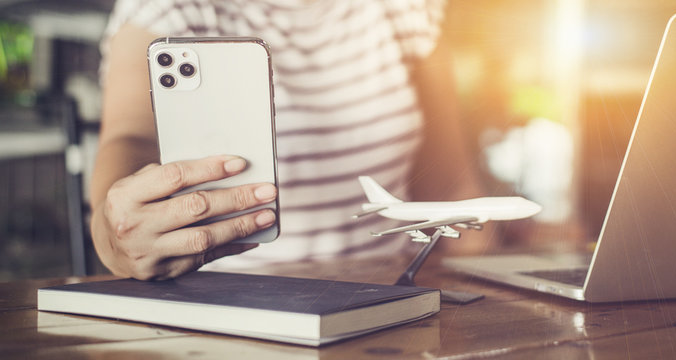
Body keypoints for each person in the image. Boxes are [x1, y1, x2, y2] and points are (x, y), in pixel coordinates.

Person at [91, 0, 485, 281]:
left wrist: (495, 286)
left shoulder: (409, 8)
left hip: (390, 299)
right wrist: (118, 237)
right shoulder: (167, 10)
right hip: (230, 309)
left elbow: (452, 188)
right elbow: (128, 142)